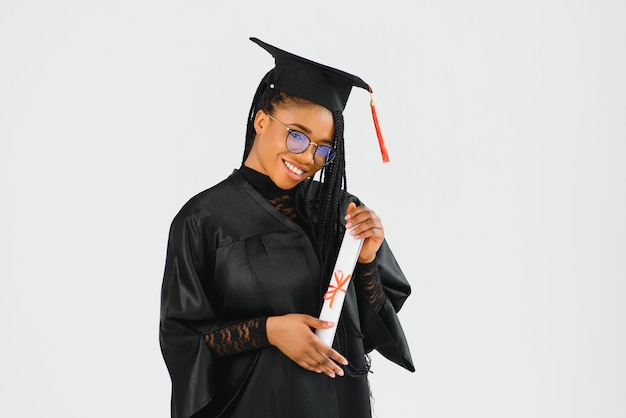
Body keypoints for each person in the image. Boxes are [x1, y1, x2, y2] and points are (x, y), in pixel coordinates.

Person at [159, 37, 414, 418]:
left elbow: (373, 331)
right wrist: (269, 331)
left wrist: (365, 261)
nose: (308, 157)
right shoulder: (203, 219)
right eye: (297, 136)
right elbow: (183, 338)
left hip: (340, 406)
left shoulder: (341, 211)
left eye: (323, 149)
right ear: (262, 120)